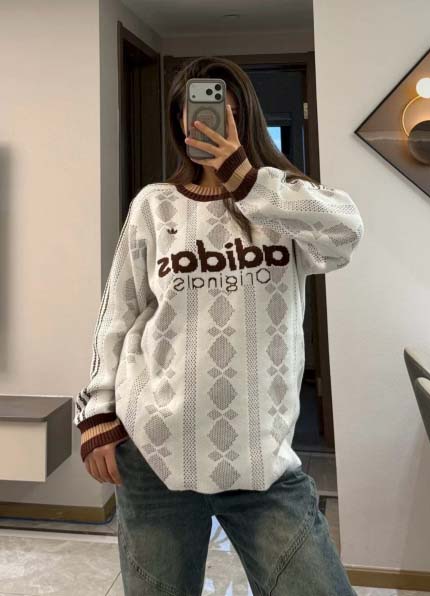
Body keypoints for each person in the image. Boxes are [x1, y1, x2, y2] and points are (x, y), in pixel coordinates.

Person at [74, 56, 364, 595]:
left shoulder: (280, 201)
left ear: (243, 117)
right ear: (179, 124)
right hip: (156, 455)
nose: (205, 124)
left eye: (220, 112)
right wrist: (98, 412)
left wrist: (246, 180)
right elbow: (118, 313)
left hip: (262, 462)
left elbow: (347, 234)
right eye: (192, 113)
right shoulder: (154, 207)